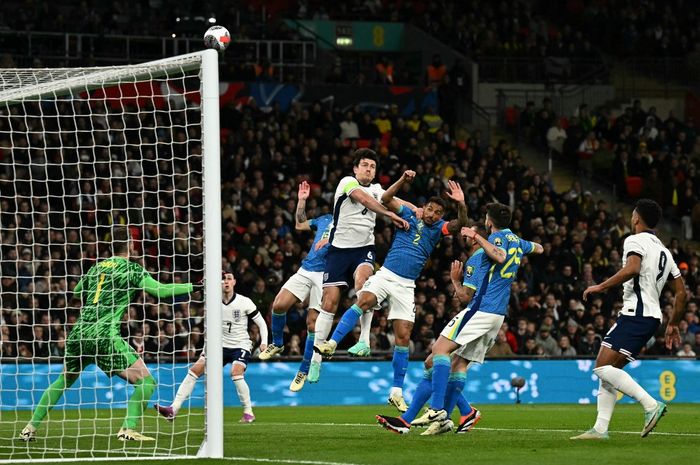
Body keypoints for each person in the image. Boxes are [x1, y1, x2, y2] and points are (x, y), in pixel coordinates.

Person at [377, 203, 543, 435]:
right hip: (497, 315)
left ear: (488, 223)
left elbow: (467, 294)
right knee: (455, 363)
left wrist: (455, 279)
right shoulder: (515, 240)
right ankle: (451, 415)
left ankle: (437, 409)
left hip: (481, 309)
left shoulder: (481, 254)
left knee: (439, 351)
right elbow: (540, 248)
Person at [19, 225, 197, 442]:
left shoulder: (97, 268)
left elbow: (76, 293)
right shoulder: (131, 269)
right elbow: (160, 291)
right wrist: (195, 286)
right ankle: (127, 429)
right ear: (130, 245)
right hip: (104, 334)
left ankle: (29, 428)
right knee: (147, 382)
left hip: (79, 333)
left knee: (63, 380)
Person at [316, 173, 467, 412]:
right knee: (363, 299)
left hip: (407, 285)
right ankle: (332, 343)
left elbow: (459, 224)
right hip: (386, 274)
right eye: (430, 209)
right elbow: (387, 198)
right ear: (423, 207)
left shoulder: (440, 228)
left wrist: (461, 204)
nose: (432, 215)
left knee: (403, 336)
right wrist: (402, 180)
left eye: (437, 212)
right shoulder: (408, 213)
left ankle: (396, 391)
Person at [571, 199, 686, 440]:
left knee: (602, 368)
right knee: (609, 372)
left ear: (636, 218)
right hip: (650, 317)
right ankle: (600, 429)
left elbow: (633, 268)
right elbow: (681, 293)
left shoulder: (634, 240)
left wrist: (600, 286)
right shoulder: (665, 251)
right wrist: (673, 323)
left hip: (637, 314)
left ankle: (651, 405)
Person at [312, 149, 409, 381]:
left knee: (364, 285)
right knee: (329, 302)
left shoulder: (377, 189)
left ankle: (364, 340)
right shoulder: (347, 182)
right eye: (364, 165)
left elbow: (398, 202)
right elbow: (365, 200)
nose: (368, 169)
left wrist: (419, 211)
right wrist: (391, 216)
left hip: (363, 249)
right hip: (338, 251)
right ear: (355, 168)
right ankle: (317, 358)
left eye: (373, 166)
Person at [155, 272, 268, 423]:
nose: (226, 282)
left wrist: (264, 342)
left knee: (236, 373)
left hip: (239, 345)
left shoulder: (244, 302)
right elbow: (198, 298)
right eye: (223, 279)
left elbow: (261, 323)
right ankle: (173, 409)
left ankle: (248, 412)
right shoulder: (212, 300)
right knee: (194, 371)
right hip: (217, 346)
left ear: (234, 282)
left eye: (229, 279)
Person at [258, 181, 333, 393]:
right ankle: (278, 343)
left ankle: (303, 369)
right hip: (307, 268)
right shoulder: (325, 219)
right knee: (279, 305)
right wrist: (301, 201)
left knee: (313, 326)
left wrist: (332, 242)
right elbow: (300, 224)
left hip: (326, 275)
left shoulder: (350, 225)